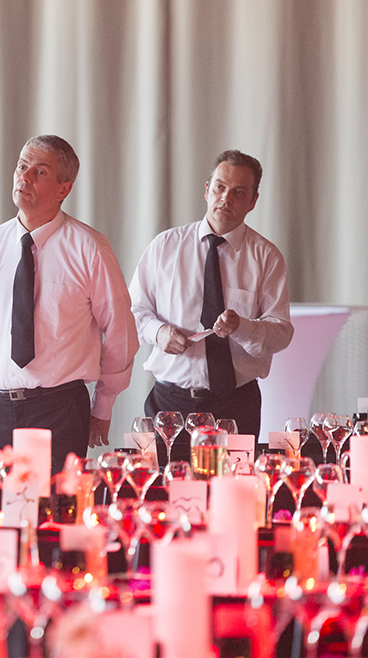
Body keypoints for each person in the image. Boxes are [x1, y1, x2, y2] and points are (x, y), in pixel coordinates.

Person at [0, 135, 138, 474]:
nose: (24, 177)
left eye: (39, 172)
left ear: (64, 189)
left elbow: (121, 331)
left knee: (55, 506)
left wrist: (103, 406)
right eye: (22, 166)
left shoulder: (90, 249)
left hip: (59, 411)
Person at [129, 150, 293, 455]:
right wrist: (159, 333)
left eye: (238, 192)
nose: (226, 198)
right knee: (160, 482)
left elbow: (281, 332)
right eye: (219, 187)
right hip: (169, 405)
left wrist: (242, 327)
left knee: (234, 485)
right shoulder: (165, 246)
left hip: (235, 405)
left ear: (253, 201)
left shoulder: (266, 257)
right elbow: (134, 311)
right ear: (207, 190)